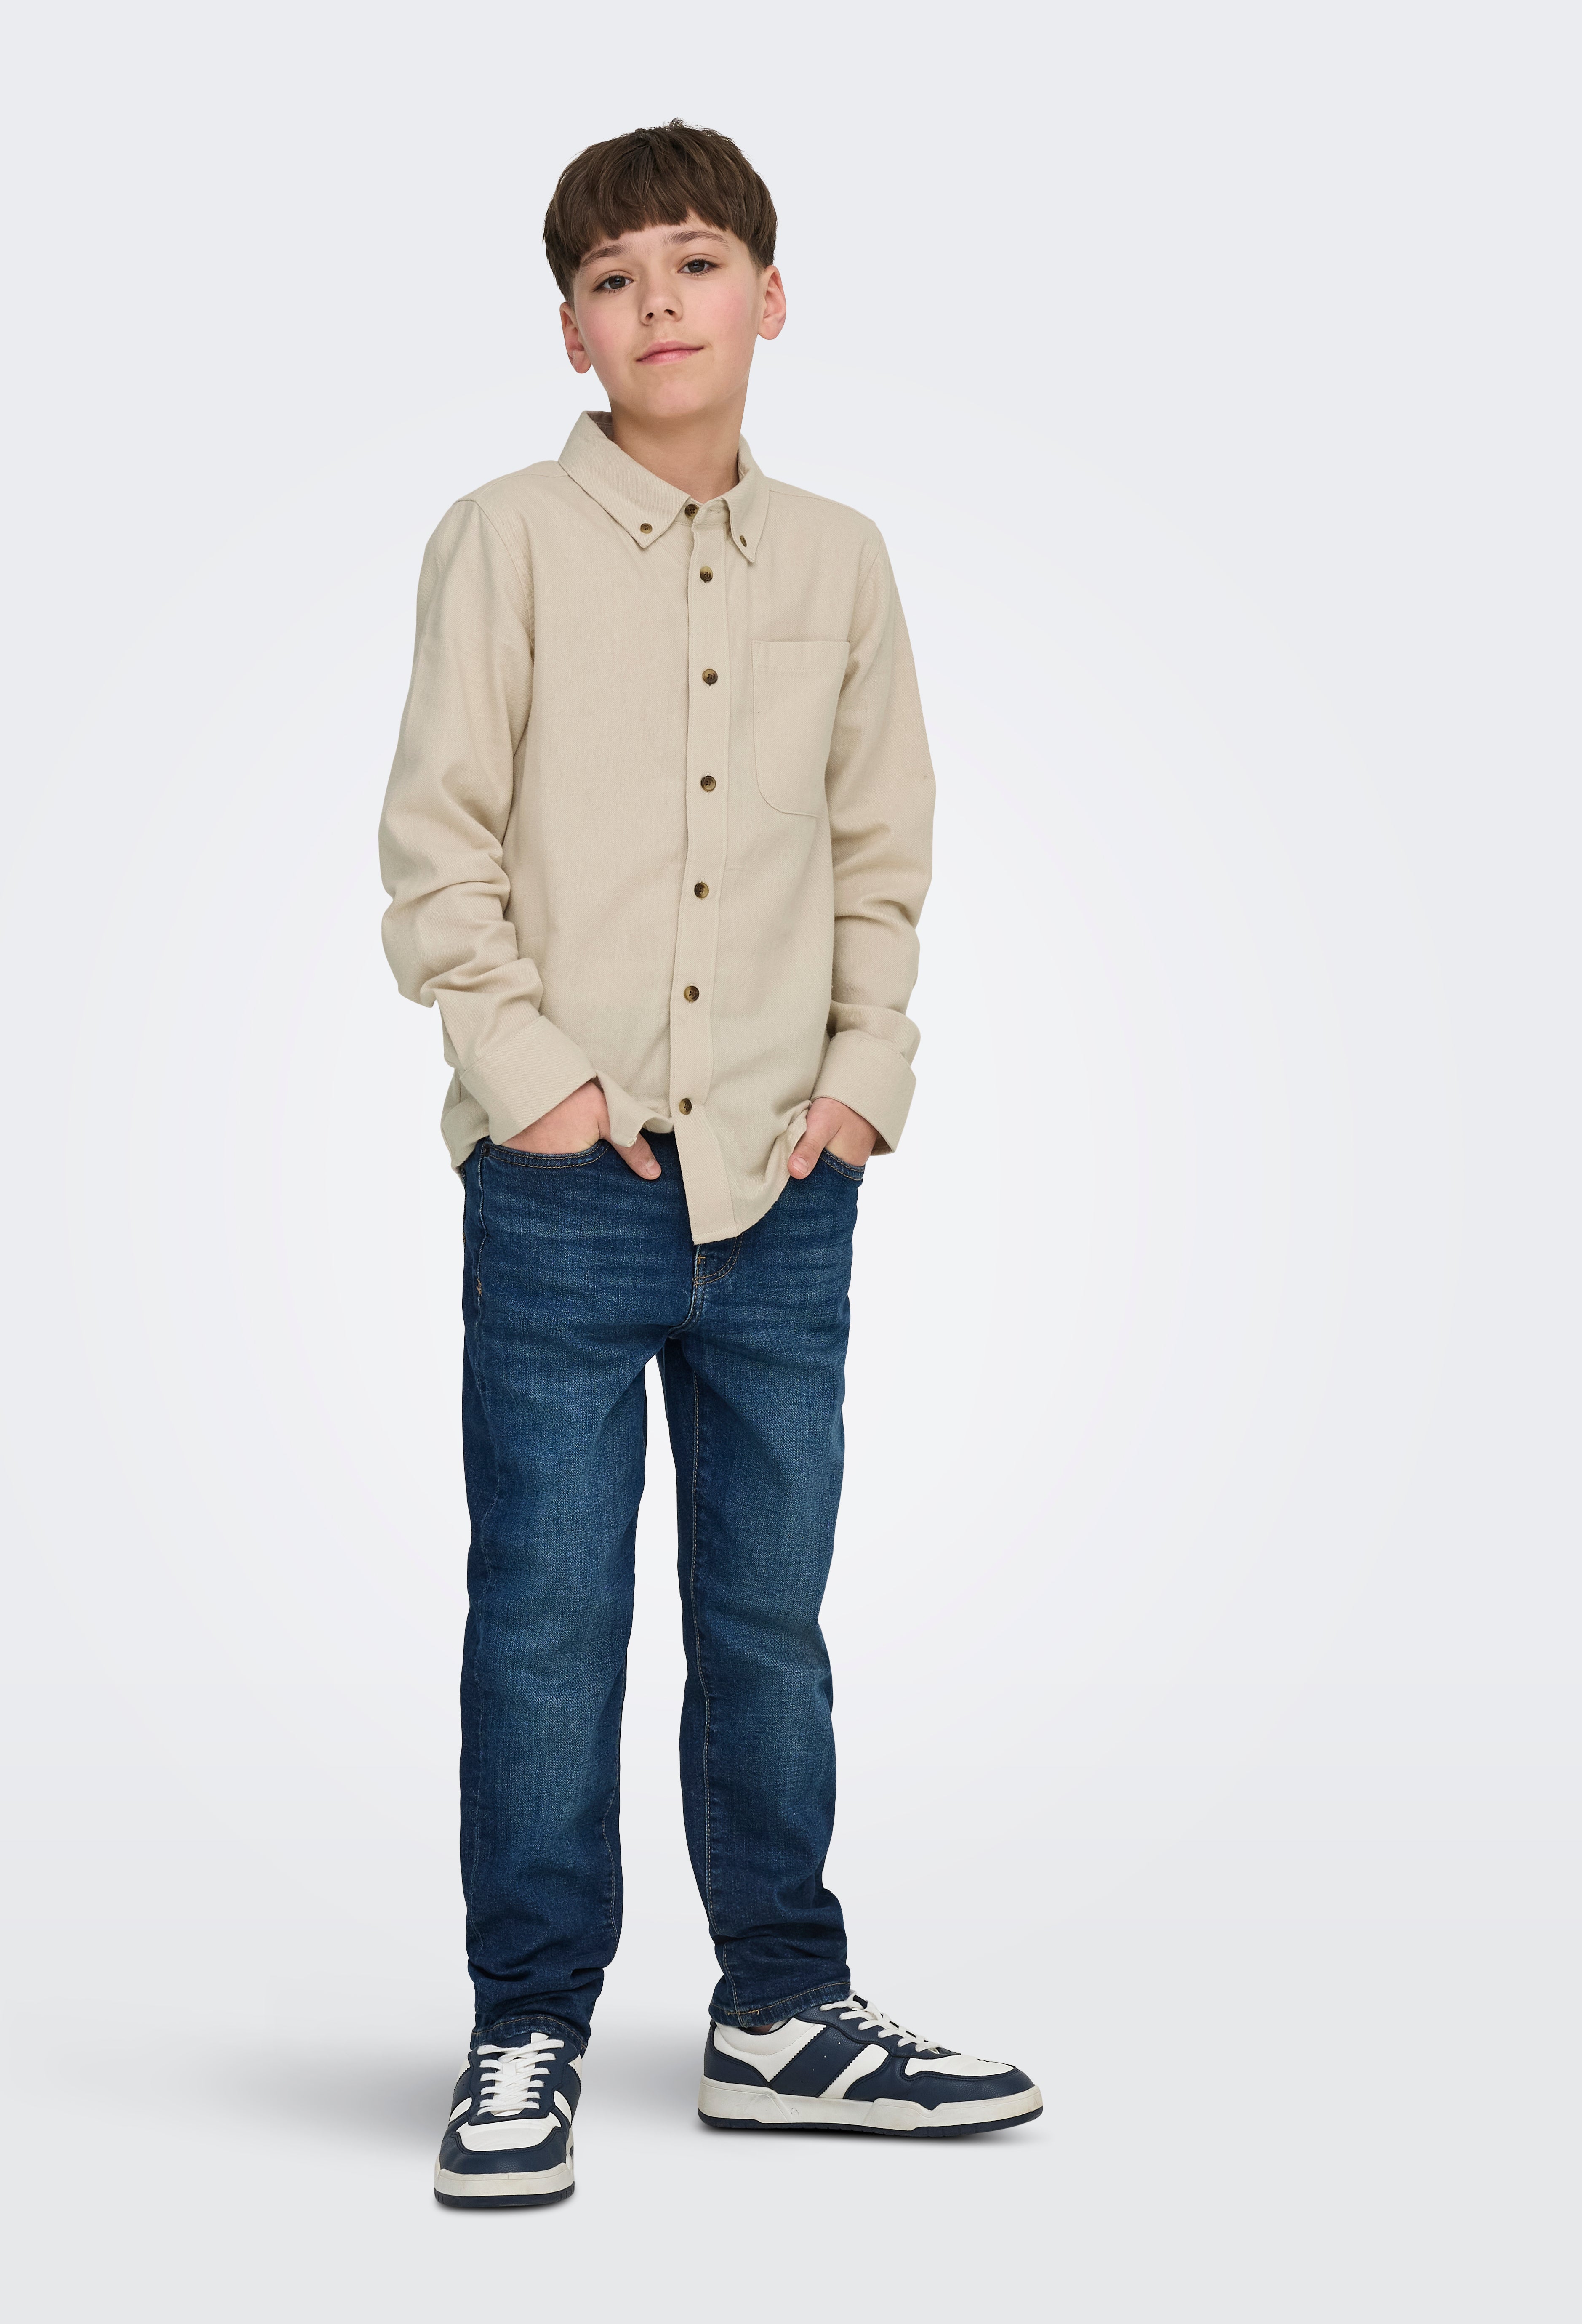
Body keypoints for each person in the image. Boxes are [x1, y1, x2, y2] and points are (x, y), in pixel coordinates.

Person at [378, 119, 1042, 2210]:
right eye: (611, 278)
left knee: (766, 1619)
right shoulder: (501, 541)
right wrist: (541, 1086)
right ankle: (527, 2020)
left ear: (768, 296)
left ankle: (779, 2008)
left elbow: (879, 853)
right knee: (546, 1622)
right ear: (570, 333)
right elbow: (436, 850)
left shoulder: (840, 562)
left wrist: (860, 1087)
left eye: (690, 261)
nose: (655, 301)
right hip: (566, 1189)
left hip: (785, 1188)